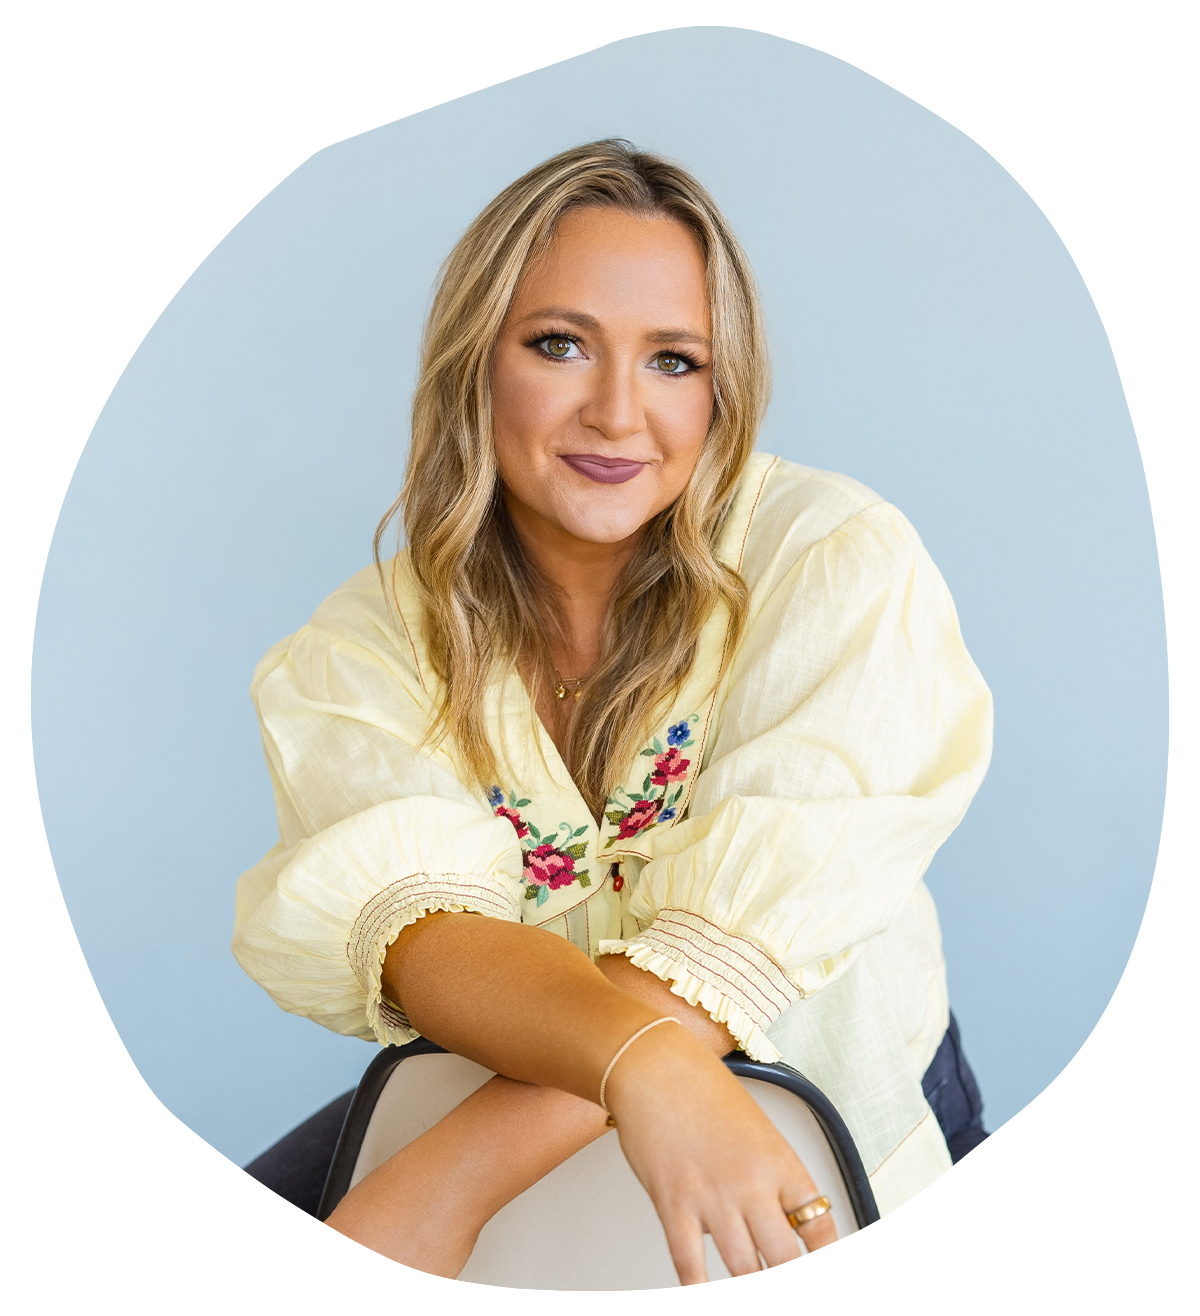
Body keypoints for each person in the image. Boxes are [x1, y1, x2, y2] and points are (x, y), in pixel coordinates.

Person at [231, 139, 996, 1312]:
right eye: (559, 343)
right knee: (269, 1232)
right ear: (473, 362)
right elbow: (421, 935)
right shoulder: (368, 641)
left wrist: (448, 1178)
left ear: (722, 388)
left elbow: (729, 951)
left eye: (674, 360)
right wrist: (642, 1071)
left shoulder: (834, 557)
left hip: (843, 1101)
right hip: (552, 1115)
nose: (616, 412)